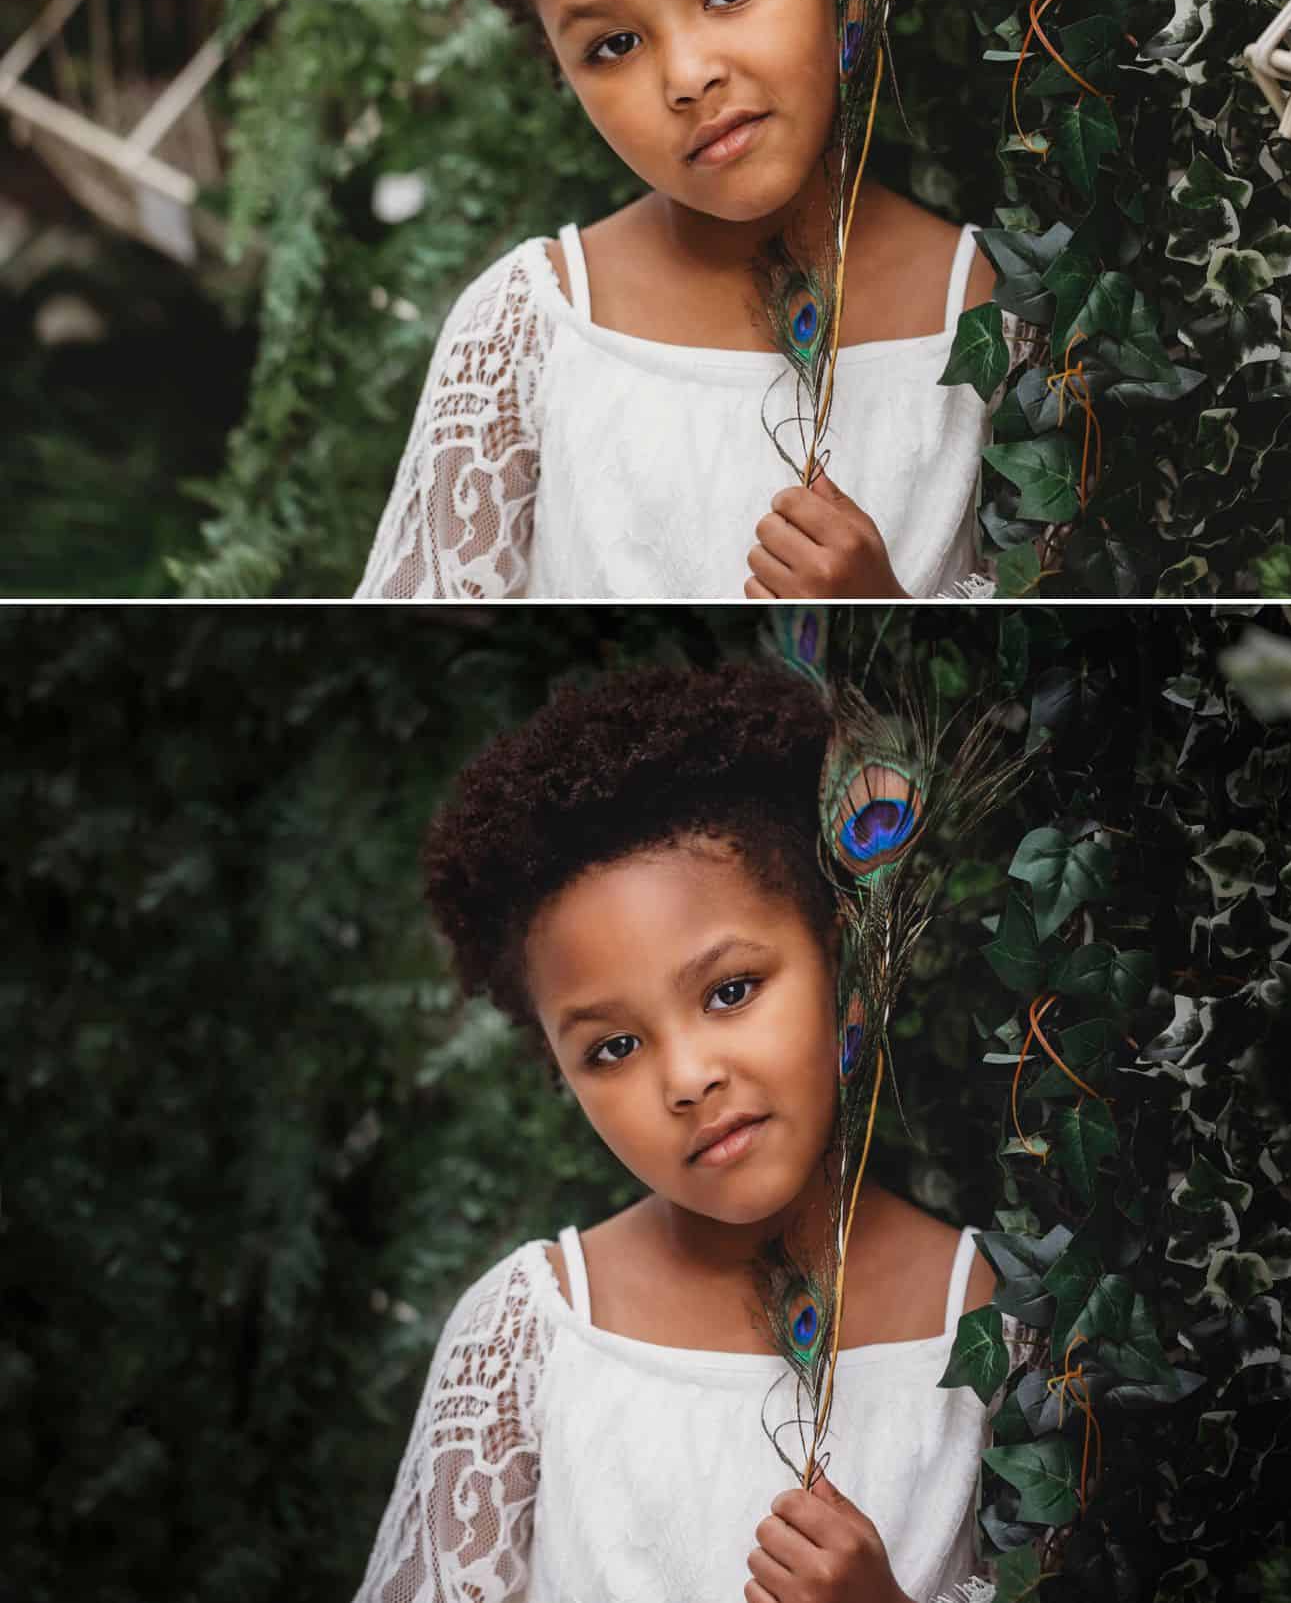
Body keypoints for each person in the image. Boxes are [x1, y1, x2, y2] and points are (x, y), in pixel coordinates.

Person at [353, 0, 1044, 601]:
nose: (687, 77)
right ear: (561, 73)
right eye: (613, 45)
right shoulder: (528, 335)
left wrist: (883, 618)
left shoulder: (1000, 320)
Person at [351, 662, 1042, 1603]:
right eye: (614, 1047)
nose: (687, 1079)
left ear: (839, 957)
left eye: (730, 991)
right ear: (561, 1074)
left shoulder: (1001, 1326)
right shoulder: (531, 1340)